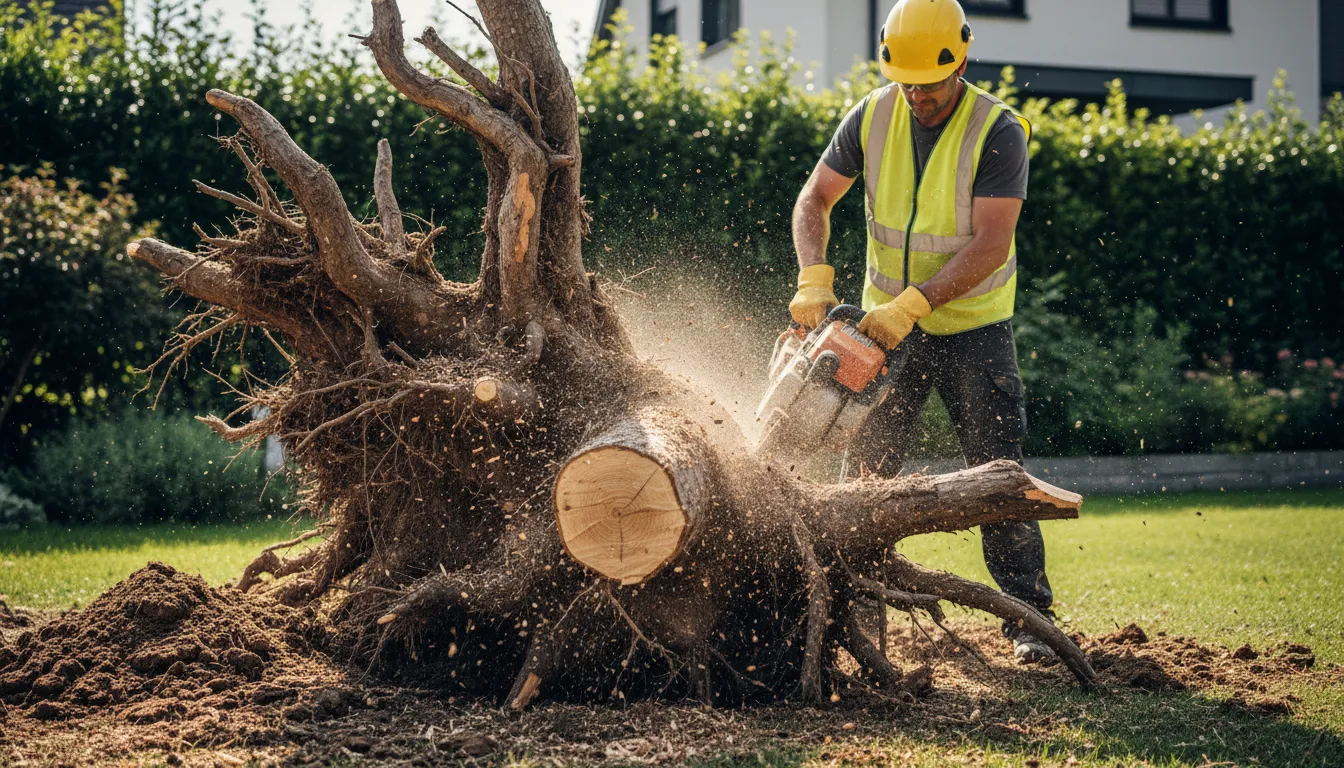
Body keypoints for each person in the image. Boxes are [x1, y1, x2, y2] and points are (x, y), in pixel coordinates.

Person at [788, 0, 1056, 662]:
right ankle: (859, 609)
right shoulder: (873, 114)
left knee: (998, 472)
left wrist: (916, 302)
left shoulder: (998, 129)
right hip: (881, 330)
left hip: (974, 328)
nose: (917, 94)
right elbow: (814, 198)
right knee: (864, 473)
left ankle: (1028, 620)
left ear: (960, 60)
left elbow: (992, 244)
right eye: (905, 79)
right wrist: (813, 278)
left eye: (929, 82)